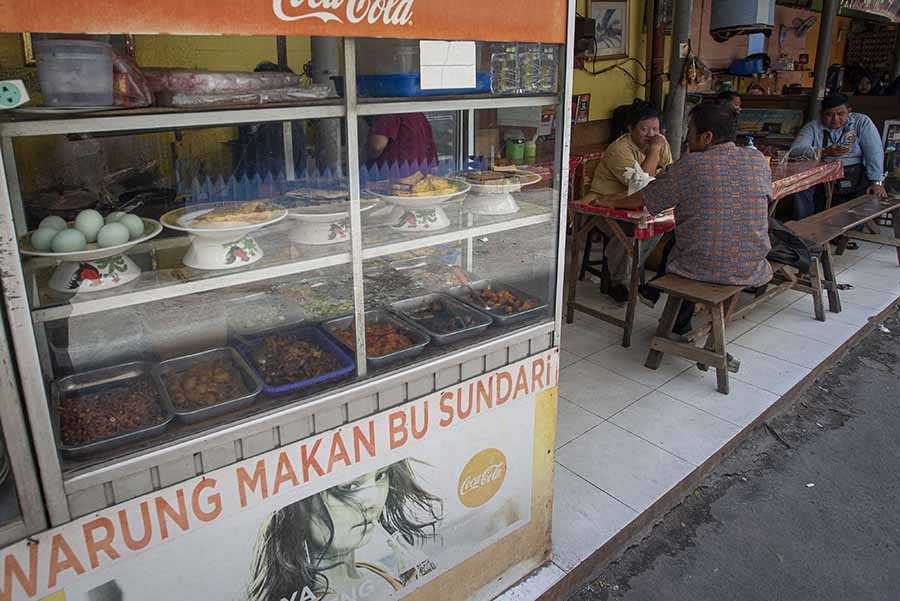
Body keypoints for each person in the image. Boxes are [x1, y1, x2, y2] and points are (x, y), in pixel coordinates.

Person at [590, 103, 772, 336]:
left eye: (690, 131)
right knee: (690, 235)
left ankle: (669, 314)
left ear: (707, 136)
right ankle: (668, 311)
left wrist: (611, 201)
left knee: (689, 245)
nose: (687, 138)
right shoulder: (756, 159)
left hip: (706, 267)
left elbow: (645, 197)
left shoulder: (690, 165)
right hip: (753, 263)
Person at [248, 460, 442, 601]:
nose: (373, 501)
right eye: (350, 486)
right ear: (297, 508)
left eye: (381, 475)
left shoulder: (376, 571)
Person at [584, 104, 674, 303]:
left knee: (669, 224)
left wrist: (658, 152)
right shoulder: (619, 149)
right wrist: (655, 150)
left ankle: (636, 273)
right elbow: (642, 184)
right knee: (631, 232)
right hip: (602, 205)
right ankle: (620, 281)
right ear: (630, 128)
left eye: (655, 130)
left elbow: (670, 172)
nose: (651, 135)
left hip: (637, 204)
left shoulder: (661, 142)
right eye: (644, 129)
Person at [788, 93, 887, 221]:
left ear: (849, 112)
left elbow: (874, 152)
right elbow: (795, 150)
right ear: (821, 114)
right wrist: (823, 152)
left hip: (852, 173)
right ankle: (803, 224)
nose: (835, 119)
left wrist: (876, 182)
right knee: (800, 187)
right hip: (822, 175)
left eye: (840, 114)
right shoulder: (813, 127)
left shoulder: (861, 122)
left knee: (853, 213)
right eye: (829, 115)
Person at [368, 113, 438, 169]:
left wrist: (361, 156)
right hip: (419, 176)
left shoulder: (388, 112)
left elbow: (378, 145)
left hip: (396, 176)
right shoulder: (419, 114)